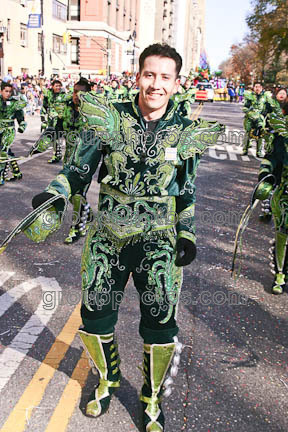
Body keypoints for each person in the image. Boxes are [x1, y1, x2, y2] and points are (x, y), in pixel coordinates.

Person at [23, 43, 223, 431]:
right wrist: (57, 192)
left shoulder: (185, 132)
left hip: (159, 243)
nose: (155, 84)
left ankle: (150, 397)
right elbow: (79, 168)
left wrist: (187, 233)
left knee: (160, 325)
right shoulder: (109, 119)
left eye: (165, 77)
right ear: (138, 76)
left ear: (176, 83)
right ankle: (107, 379)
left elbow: (187, 190)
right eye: (149, 75)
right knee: (95, 318)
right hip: (107, 240)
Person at [255, 88, 288, 294]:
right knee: (283, 233)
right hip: (285, 194)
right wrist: (265, 178)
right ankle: (280, 273)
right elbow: (270, 160)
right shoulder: (281, 135)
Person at [61, 78, 93, 244]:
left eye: (81, 93)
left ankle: (77, 228)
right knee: (73, 193)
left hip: (85, 160)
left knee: (77, 194)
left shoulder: (94, 113)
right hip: (69, 158)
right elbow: (57, 127)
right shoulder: (66, 108)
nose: (76, 96)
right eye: (75, 92)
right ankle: (86, 213)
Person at [0, 82, 27, 185]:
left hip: (9, 131)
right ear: (1, 91)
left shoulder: (15, 103)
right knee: (7, 152)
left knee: (2, 151)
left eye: (10, 92)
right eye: (6, 91)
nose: (8, 93)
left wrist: (22, 126)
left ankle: (1, 176)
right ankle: (17, 172)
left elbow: (21, 118)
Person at [242, 82, 273, 157]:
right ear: (253, 88)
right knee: (247, 133)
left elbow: (269, 108)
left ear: (261, 88)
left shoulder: (265, 96)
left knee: (261, 134)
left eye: (259, 87)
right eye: (256, 86)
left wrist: (265, 114)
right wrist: (249, 112)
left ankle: (258, 152)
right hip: (250, 117)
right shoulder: (250, 96)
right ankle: (245, 149)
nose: (257, 88)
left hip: (260, 118)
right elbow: (245, 107)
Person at [40, 79, 67, 163]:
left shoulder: (64, 95)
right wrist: (43, 121)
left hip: (63, 119)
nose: (58, 87)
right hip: (52, 120)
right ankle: (57, 155)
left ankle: (70, 157)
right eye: (56, 86)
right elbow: (44, 106)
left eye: (59, 86)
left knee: (68, 138)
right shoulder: (48, 95)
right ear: (52, 86)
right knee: (55, 138)